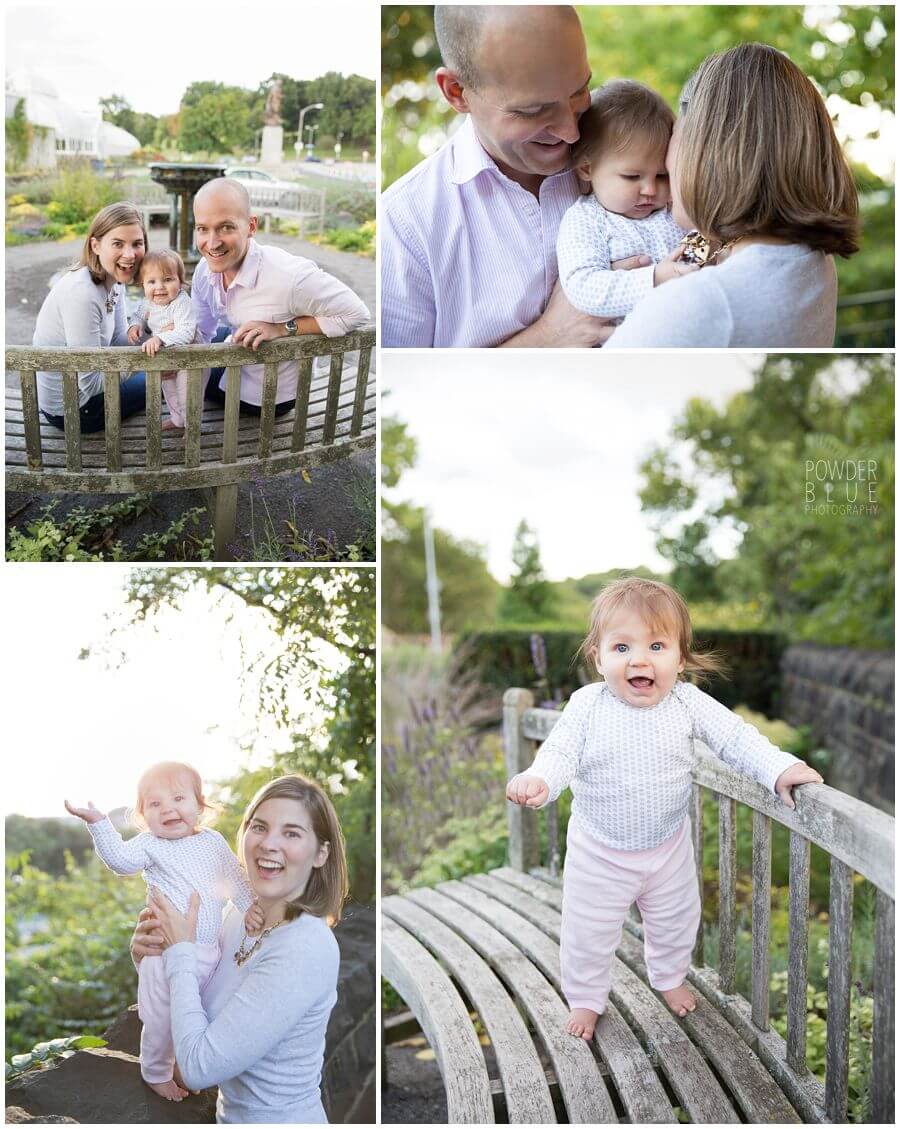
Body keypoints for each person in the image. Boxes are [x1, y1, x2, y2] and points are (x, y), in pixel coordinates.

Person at [506, 577, 823, 1041]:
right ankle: (587, 998)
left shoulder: (687, 703)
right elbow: (561, 753)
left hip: (667, 846)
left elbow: (736, 740)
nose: (639, 659)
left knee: (676, 920)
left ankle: (669, 977)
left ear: (680, 657)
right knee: (588, 932)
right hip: (600, 851)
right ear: (598, 657)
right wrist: (540, 780)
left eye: (656, 645)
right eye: (621, 647)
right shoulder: (587, 706)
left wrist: (779, 768)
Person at [382, 5, 649, 348]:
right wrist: (548, 337)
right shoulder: (404, 226)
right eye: (533, 111)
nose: (570, 132)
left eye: (579, 91)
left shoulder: (633, 148)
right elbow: (407, 390)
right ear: (456, 91)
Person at [607, 43, 860, 347]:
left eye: (672, 133)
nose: (663, 162)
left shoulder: (695, 306)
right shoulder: (814, 263)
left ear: (705, 147)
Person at [132, 774, 347, 1124]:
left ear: (321, 853)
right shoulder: (233, 917)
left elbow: (198, 1068)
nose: (268, 844)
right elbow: (189, 1002)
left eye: (291, 833)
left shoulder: (305, 946)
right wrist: (149, 955)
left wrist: (180, 952)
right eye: (259, 827)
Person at [64, 763, 260, 1102]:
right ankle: (155, 1071)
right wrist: (99, 824)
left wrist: (250, 907)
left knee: (193, 1013)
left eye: (179, 798)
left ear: (200, 805)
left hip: (207, 953)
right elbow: (120, 860)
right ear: (142, 816)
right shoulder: (149, 844)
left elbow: (233, 879)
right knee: (159, 1017)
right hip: (162, 954)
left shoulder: (213, 842)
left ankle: (185, 1066)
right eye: (154, 804)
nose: (167, 808)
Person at [190, 178, 369, 417]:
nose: (212, 243)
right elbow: (200, 331)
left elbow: (357, 313)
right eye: (203, 228)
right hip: (241, 357)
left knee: (160, 379)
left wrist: (282, 328)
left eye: (226, 227)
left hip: (263, 397)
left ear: (251, 226)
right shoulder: (204, 269)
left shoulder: (290, 277)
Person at [556, 80, 696, 322]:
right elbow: (583, 286)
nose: (651, 189)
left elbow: (705, 245)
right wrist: (653, 278)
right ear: (587, 169)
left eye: (662, 175)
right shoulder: (586, 220)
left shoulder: (674, 209)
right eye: (632, 176)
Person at [34, 202, 148, 431]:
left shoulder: (115, 280)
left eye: (137, 243)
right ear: (95, 245)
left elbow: (117, 340)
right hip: (74, 410)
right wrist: (147, 363)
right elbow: (92, 384)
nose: (130, 254)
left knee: (166, 369)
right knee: (164, 379)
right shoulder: (81, 295)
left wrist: (155, 330)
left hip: (85, 394)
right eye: (118, 243)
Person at [127, 249, 206, 431]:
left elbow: (186, 332)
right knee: (169, 391)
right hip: (168, 358)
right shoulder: (148, 303)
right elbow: (138, 315)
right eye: (152, 281)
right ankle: (178, 420)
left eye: (168, 279)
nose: (160, 287)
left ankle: (192, 428)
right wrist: (135, 325)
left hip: (191, 360)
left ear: (180, 281)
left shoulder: (181, 302)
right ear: (142, 284)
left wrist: (159, 338)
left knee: (188, 395)